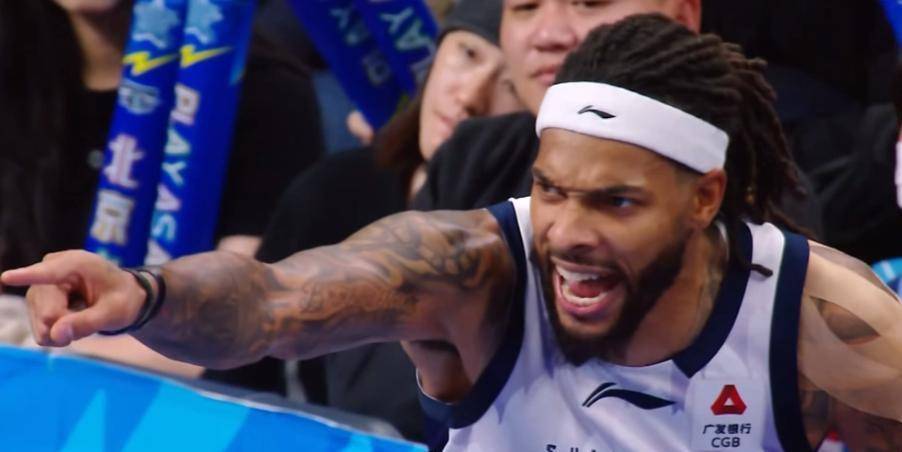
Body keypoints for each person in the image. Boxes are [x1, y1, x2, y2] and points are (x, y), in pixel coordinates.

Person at [7, 15, 902, 451]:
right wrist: (147, 295)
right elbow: (273, 300)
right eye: (551, 190)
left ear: (706, 198)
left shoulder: (828, 322)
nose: (568, 232)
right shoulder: (475, 270)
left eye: (616, 203)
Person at [205, 0, 521, 440]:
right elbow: (235, 377)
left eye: (510, 85)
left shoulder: (520, 244)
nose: (469, 96)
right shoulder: (333, 189)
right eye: (467, 54)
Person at [0, 0, 323, 374]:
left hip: (183, 385)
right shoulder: (15, 60)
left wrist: (40, 349)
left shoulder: (265, 90)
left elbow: (244, 320)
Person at [409, 0, 824, 238]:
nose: (547, 34)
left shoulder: (758, 198)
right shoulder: (471, 156)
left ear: (682, 17)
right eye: (525, 6)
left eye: (589, 2)